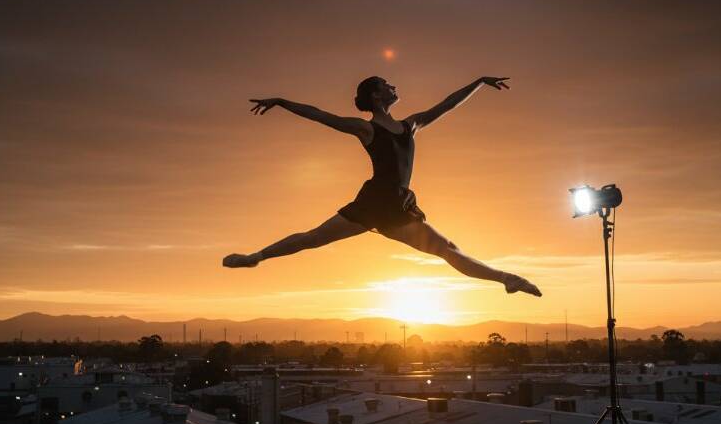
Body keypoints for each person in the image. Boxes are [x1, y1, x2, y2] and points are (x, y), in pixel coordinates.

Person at [223, 76, 541, 297]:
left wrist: (478, 83)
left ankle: (507, 279)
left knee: (448, 250)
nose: (394, 86)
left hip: (399, 208)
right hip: (373, 203)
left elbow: (447, 105)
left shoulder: (410, 125)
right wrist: (280, 101)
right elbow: (319, 115)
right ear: (376, 95)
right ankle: (256, 257)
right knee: (313, 238)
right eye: (387, 84)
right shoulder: (366, 129)